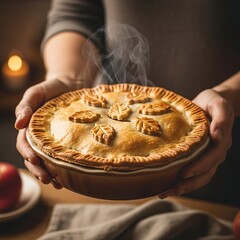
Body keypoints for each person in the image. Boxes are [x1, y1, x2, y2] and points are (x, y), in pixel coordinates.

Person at [15, 0, 240, 207]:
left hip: (223, 167)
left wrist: (228, 95)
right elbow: (76, 13)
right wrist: (68, 79)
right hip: (92, 196)